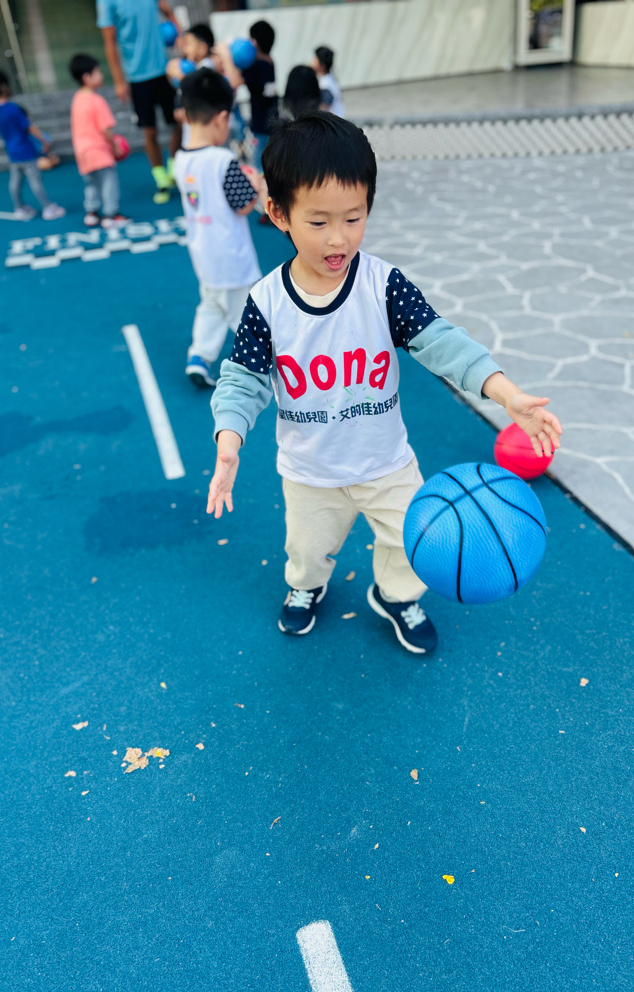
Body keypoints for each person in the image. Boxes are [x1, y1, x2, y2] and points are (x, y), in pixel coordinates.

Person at [206, 112, 562, 654]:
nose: (339, 238)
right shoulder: (267, 302)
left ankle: (395, 595)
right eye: (319, 222)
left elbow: (442, 342)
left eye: (354, 218)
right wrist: (229, 438)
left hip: (386, 462)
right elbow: (242, 380)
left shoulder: (382, 285)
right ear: (278, 214)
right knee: (307, 548)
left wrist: (506, 393)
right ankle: (306, 586)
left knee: (410, 541)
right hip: (310, 470)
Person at [173, 68, 265, 388]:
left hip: (204, 256)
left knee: (211, 306)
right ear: (222, 118)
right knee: (248, 313)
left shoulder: (181, 159)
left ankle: (199, 356)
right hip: (233, 258)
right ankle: (257, 365)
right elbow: (243, 204)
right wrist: (255, 184)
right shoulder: (222, 160)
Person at [97, 0, 182, 203]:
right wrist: (119, 81)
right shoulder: (106, 2)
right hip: (137, 78)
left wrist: (180, 33)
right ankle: (161, 180)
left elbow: (167, 10)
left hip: (165, 70)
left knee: (180, 121)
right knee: (150, 131)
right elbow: (109, 43)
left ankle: (174, 168)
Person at [0, 68, 65, 222]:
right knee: (35, 180)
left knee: (15, 181)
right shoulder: (13, 108)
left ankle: (19, 207)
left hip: (12, 152)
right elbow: (30, 127)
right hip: (25, 150)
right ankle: (48, 207)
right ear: (2, 87)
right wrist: (44, 141)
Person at [69, 54, 129, 227]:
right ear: (87, 77)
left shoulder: (77, 98)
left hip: (82, 151)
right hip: (99, 150)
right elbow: (105, 129)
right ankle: (111, 214)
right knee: (109, 181)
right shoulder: (97, 100)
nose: (101, 75)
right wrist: (114, 145)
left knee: (91, 183)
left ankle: (92, 212)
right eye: (98, 72)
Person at [241, 19, 278, 173]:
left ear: (254, 42)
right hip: (272, 121)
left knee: (257, 167)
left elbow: (236, 80)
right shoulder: (269, 62)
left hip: (261, 125)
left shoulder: (256, 66)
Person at [311, 46, 344, 117]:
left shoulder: (325, 84)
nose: (312, 61)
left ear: (322, 65)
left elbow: (324, 106)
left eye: (315, 59)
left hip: (332, 120)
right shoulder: (329, 79)